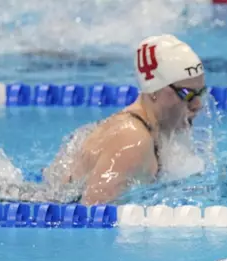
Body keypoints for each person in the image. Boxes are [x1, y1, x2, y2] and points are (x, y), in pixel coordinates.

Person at [42, 34, 207, 205]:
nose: (197, 105)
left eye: (200, 93)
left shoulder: (150, 131)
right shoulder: (132, 140)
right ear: (153, 91)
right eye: (187, 94)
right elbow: (93, 213)